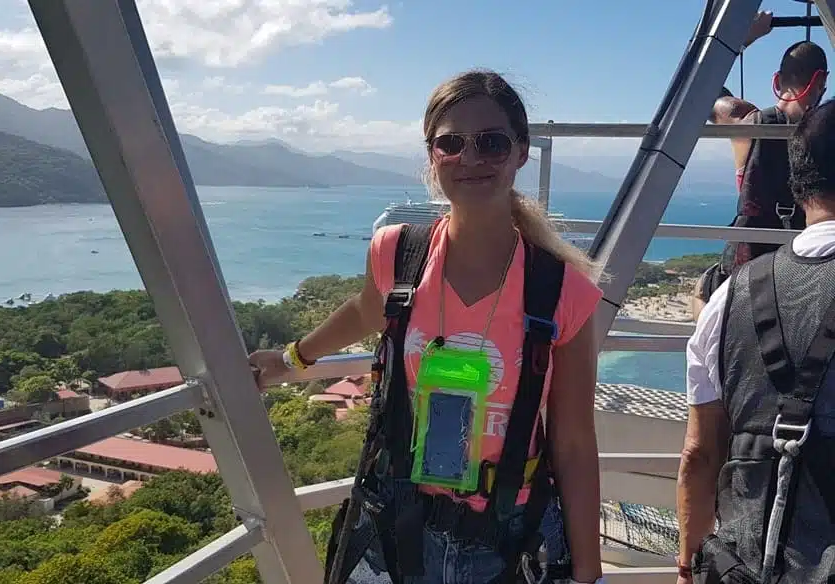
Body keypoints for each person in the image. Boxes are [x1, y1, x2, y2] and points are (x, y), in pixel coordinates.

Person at [251, 69, 605, 584]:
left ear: (521, 151)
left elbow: (573, 442)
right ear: (432, 155)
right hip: (396, 522)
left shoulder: (562, 291)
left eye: (491, 142)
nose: (471, 158)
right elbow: (365, 311)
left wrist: (588, 574)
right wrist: (291, 360)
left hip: (508, 537)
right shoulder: (399, 253)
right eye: (451, 143)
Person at [679, 100, 835, 584]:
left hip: (744, 568)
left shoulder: (730, 298)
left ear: (797, 181)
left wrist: (687, 568)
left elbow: (700, 457)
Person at [692, 12, 826, 320]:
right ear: (821, 81)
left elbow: (706, 89)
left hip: (749, 267)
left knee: (702, 291)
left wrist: (745, 36)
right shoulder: (826, 134)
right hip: (805, 268)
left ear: (778, 80)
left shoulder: (748, 121)